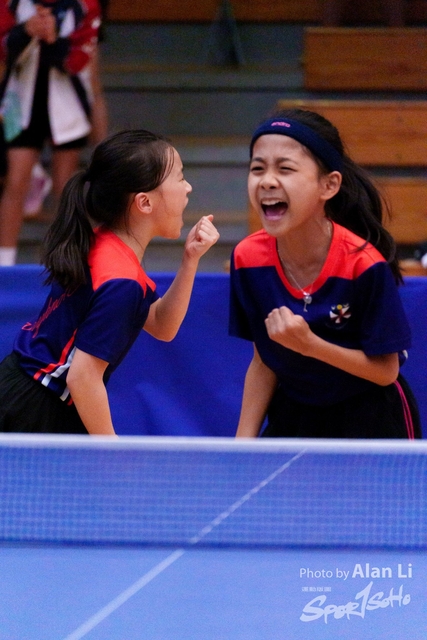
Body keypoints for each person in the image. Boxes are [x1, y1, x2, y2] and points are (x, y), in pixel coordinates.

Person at [0, 129, 219, 435]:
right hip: (36, 408)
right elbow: (83, 378)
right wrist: (110, 450)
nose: (188, 188)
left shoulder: (109, 248)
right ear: (144, 202)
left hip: (24, 391)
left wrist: (190, 260)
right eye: (180, 177)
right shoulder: (121, 280)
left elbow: (162, 325)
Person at [230, 108, 421, 439]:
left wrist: (310, 345)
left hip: (371, 417)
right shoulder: (248, 258)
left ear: (329, 185)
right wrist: (241, 446)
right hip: (295, 412)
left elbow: (386, 371)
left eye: (285, 169)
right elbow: (264, 361)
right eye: (257, 168)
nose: (267, 181)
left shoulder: (363, 265)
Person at [0, 0, 101, 265]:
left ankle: (61, 263)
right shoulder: (12, 3)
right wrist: (25, 32)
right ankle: (3, 262)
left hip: (68, 106)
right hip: (22, 106)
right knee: (16, 181)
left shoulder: (85, 5)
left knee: (65, 187)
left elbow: (79, 59)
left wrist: (55, 40)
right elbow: (2, 49)